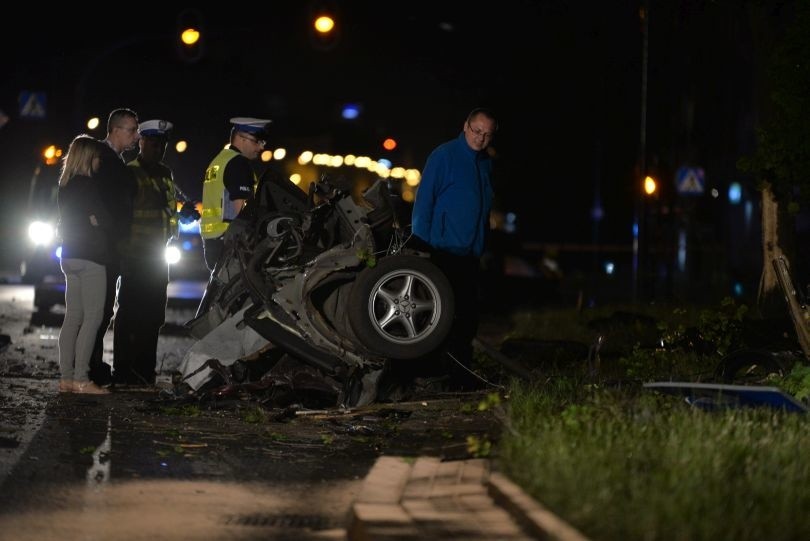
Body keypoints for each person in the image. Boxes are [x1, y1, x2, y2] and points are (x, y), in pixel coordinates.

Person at [411, 107, 498, 389]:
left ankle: (460, 374)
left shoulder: (485, 162)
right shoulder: (444, 155)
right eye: (477, 131)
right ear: (465, 127)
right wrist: (421, 243)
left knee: (468, 317)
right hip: (441, 250)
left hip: (470, 253)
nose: (481, 138)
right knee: (438, 316)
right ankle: (430, 372)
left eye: (487, 134)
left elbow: (483, 207)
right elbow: (424, 201)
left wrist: (482, 243)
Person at [112, 119, 180, 386]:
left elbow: (169, 211)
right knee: (130, 314)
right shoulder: (129, 173)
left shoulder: (165, 173)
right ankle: (124, 371)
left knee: (154, 316)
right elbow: (121, 216)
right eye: (153, 143)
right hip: (134, 255)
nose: (158, 148)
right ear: (141, 142)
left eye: (162, 144)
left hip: (157, 255)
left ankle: (145, 371)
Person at [56, 135, 112, 395]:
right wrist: (96, 221)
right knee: (92, 318)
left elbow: (90, 218)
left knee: (72, 317)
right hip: (91, 257)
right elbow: (104, 220)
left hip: (69, 255)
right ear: (90, 157)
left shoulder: (64, 185)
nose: (100, 162)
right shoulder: (89, 186)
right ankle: (82, 378)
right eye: (98, 157)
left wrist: (92, 219)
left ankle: (66, 378)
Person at [88, 108, 139, 386]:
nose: (137, 136)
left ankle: (92, 364)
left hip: (111, 247)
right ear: (116, 130)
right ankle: (90, 367)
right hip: (104, 247)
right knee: (99, 309)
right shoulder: (103, 160)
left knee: (103, 309)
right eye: (132, 130)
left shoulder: (112, 160)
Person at [200, 117, 271, 271]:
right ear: (240, 138)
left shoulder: (219, 161)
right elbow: (240, 212)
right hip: (232, 246)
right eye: (256, 141)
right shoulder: (238, 163)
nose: (261, 147)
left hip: (212, 244)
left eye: (262, 142)